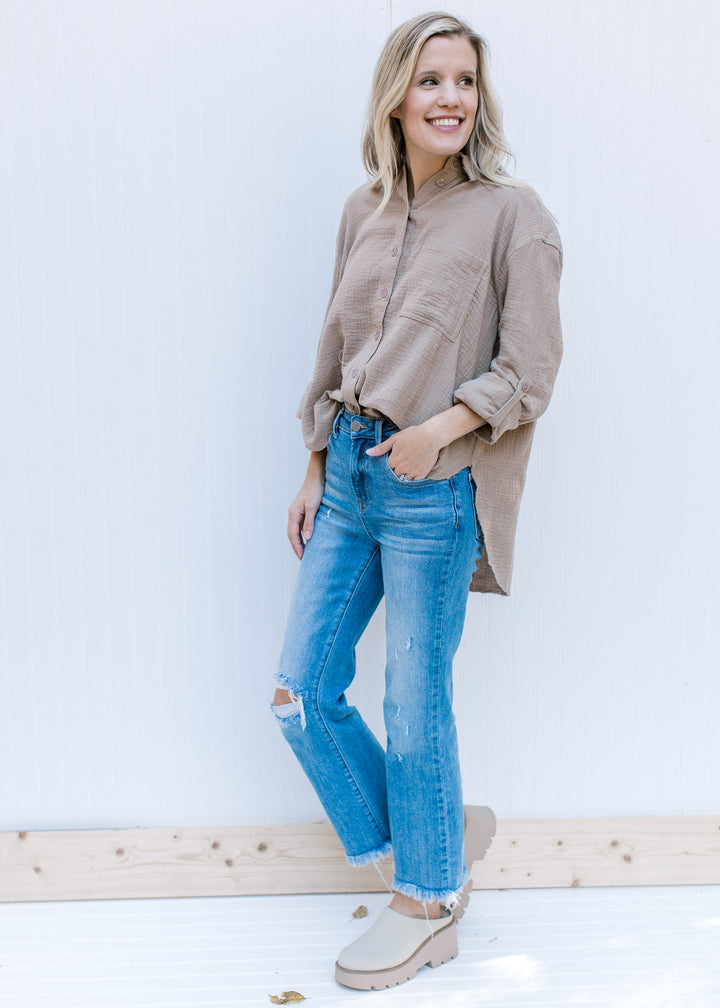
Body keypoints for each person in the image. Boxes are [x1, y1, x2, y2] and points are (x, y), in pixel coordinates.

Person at [271, 10, 562, 991]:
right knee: (300, 697)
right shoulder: (363, 210)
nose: (449, 98)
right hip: (348, 473)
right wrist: (314, 461)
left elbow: (531, 369)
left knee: (412, 708)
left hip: (433, 485)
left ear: (480, 100)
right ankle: (437, 846)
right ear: (396, 93)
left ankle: (428, 903)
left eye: (465, 82)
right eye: (430, 79)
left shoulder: (514, 215)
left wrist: (442, 431)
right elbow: (335, 342)